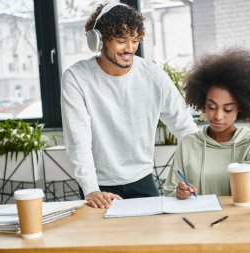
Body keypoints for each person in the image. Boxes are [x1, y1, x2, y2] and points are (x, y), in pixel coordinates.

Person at [61, 2, 198, 208]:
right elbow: (78, 140)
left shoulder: (153, 75)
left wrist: (198, 172)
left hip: (142, 180)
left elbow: (184, 126)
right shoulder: (76, 77)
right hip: (99, 188)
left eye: (134, 40)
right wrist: (91, 189)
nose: (129, 48)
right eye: (121, 40)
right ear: (99, 40)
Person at [163, 47, 250, 199]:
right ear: (203, 103)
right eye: (211, 106)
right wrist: (179, 193)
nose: (218, 116)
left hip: (238, 220)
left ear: (240, 108)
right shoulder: (188, 144)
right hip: (198, 221)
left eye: (228, 109)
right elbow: (169, 193)